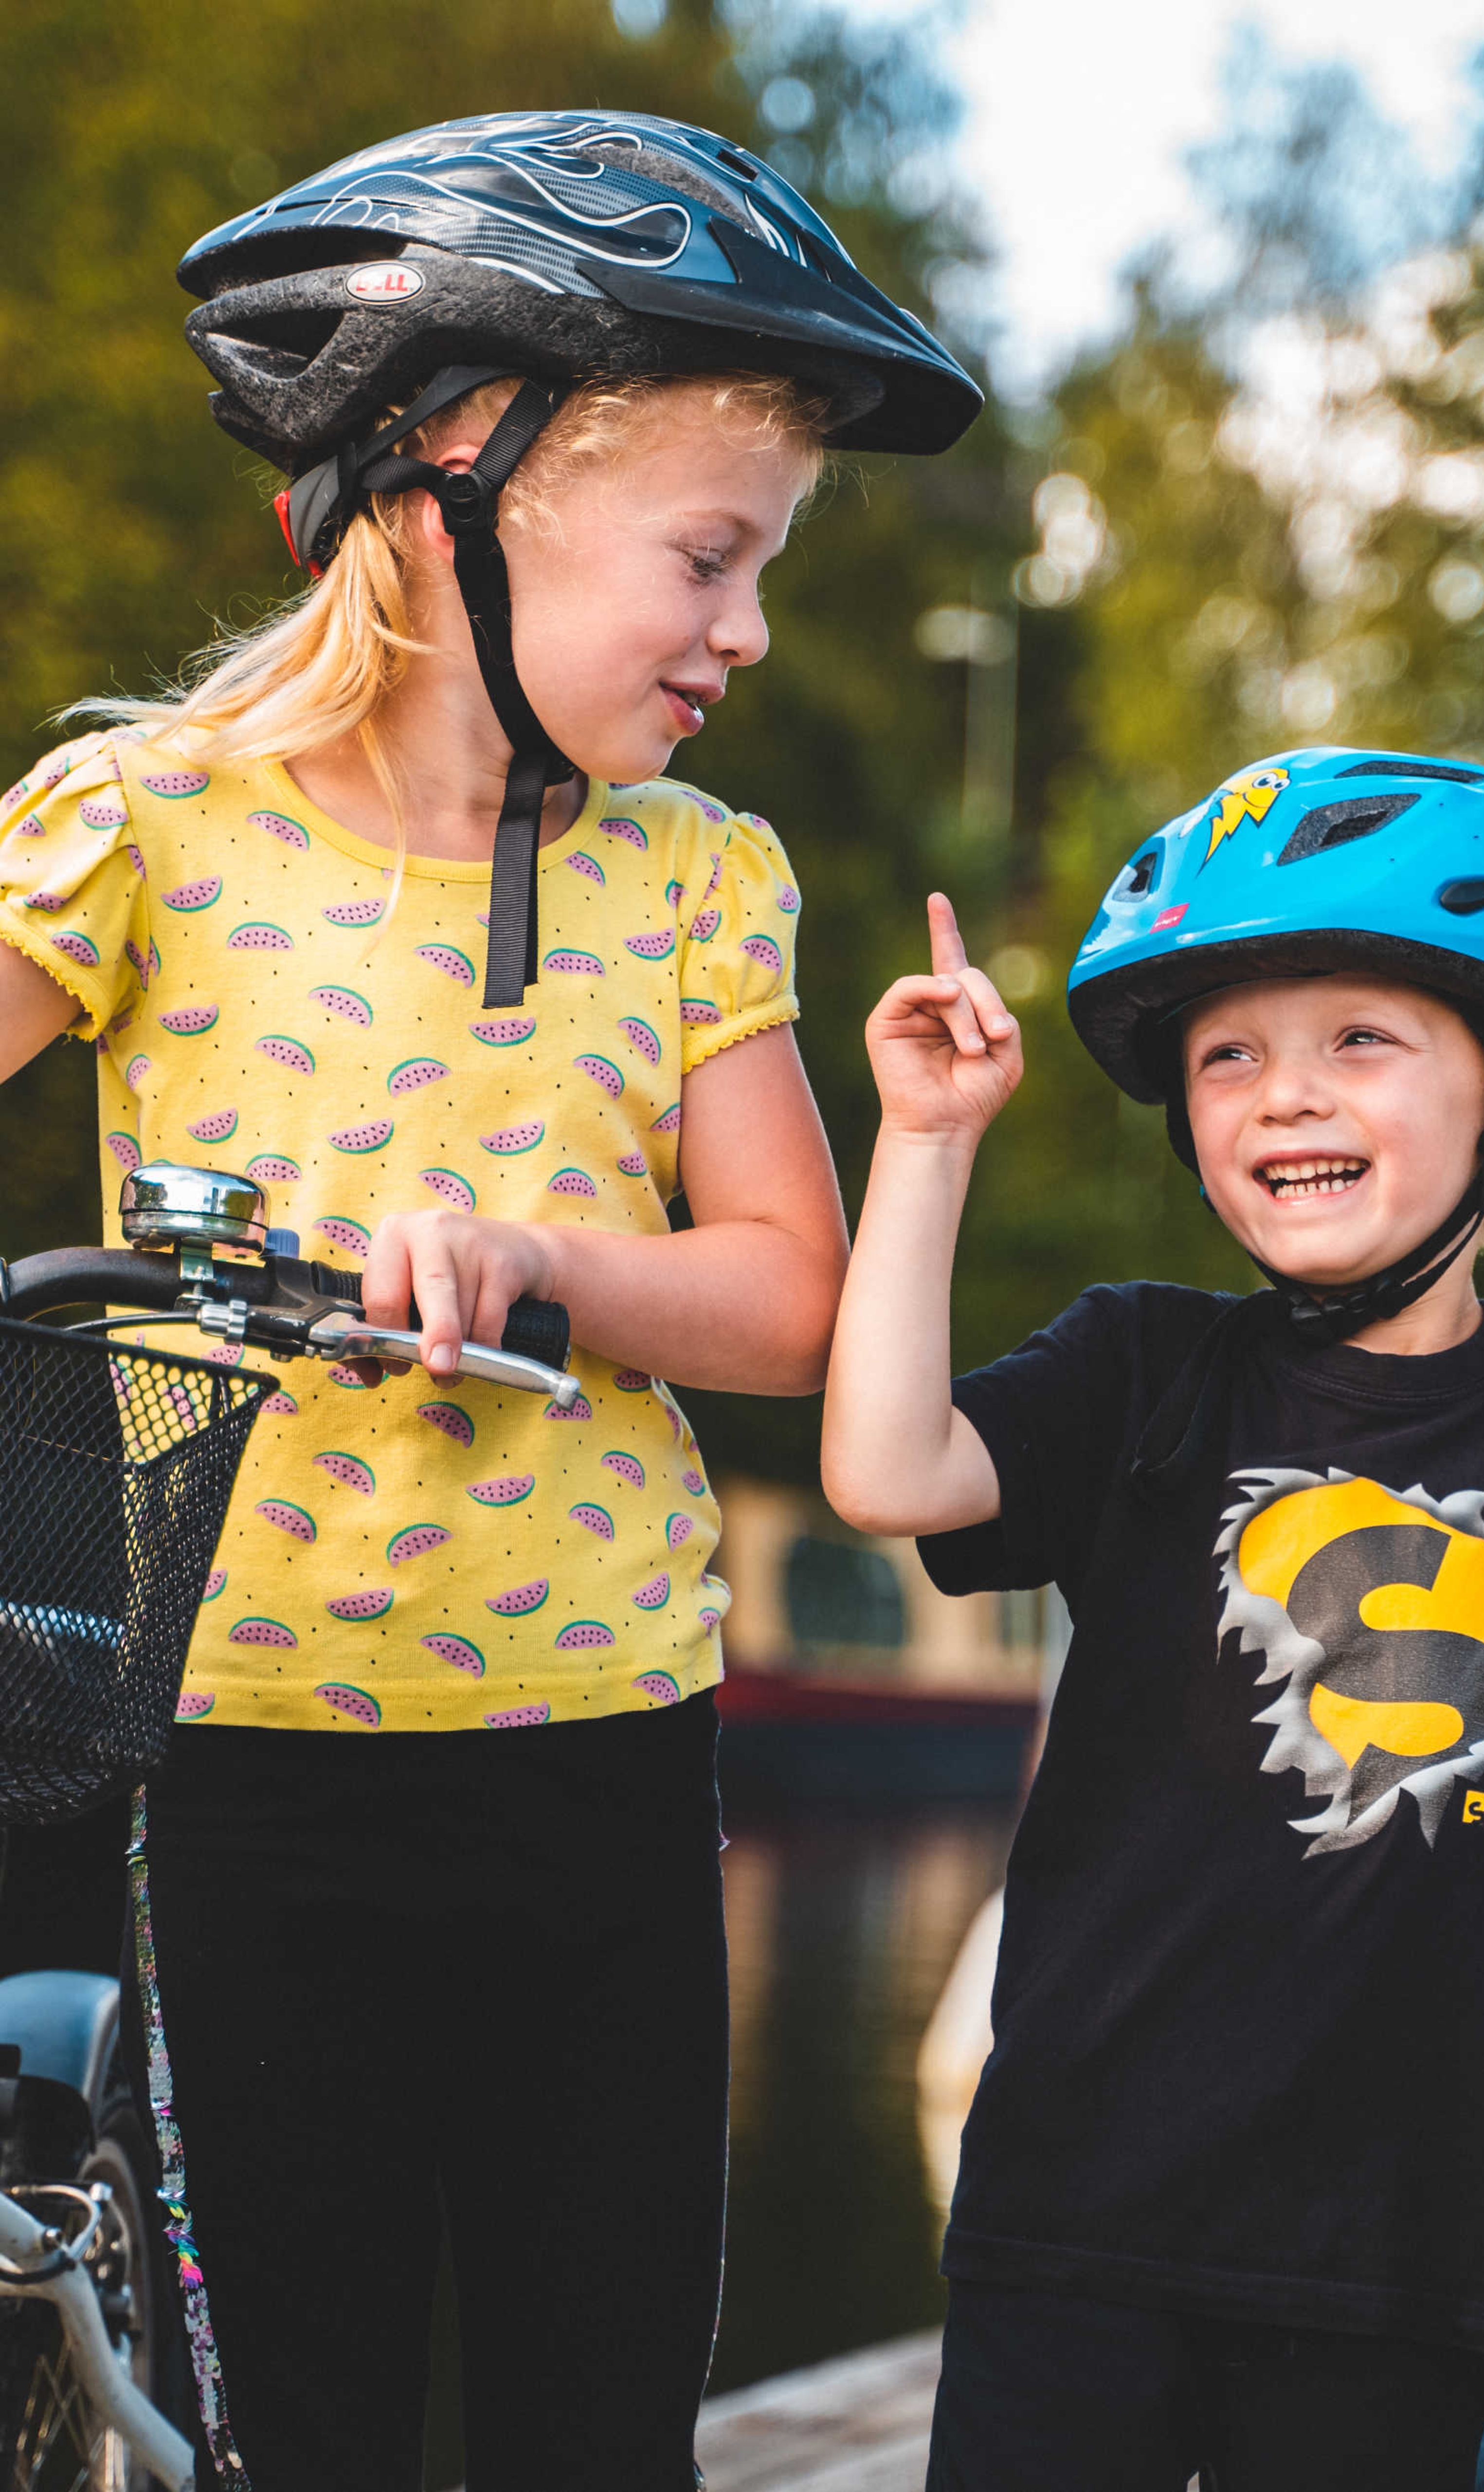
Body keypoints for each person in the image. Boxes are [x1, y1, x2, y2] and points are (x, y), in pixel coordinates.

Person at [0, 110, 977, 2492]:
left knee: (595, 2418)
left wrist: (545, 1260)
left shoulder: (696, 879)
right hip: (237, 1764)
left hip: (606, 1771)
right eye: (709, 559)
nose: (747, 630)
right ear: (453, 493)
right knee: (297, 2421)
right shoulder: (151, 823)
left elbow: (786, 1299)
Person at [821, 748, 1484, 2492]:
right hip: (1085, 2226)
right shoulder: (1142, 1364)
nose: (1284, 1096)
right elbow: (888, 1469)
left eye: (1358, 1041)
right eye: (1232, 1055)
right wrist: (926, 1145)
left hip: (1404, 2258)